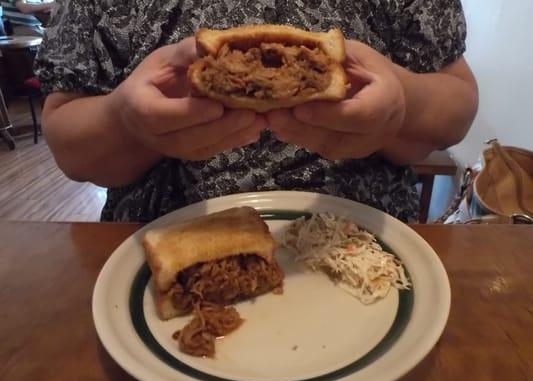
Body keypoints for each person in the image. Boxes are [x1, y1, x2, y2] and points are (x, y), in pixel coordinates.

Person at [35, 1, 478, 223]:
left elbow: (457, 103)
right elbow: (69, 139)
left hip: (367, 259)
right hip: (149, 266)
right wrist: (124, 122)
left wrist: (402, 104)